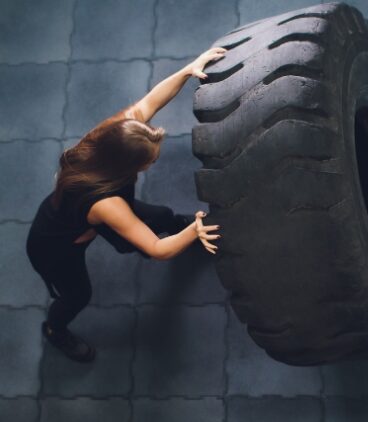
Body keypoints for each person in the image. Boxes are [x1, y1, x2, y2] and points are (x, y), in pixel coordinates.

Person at [25, 46, 228, 363]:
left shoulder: (112, 136)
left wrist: (190, 68)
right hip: (56, 246)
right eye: (150, 161)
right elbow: (157, 250)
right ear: (126, 167)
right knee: (78, 295)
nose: (153, 162)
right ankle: (54, 330)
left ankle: (174, 230)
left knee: (160, 216)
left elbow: (151, 101)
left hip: (80, 217)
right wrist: (194, 231)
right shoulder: (107, 205)